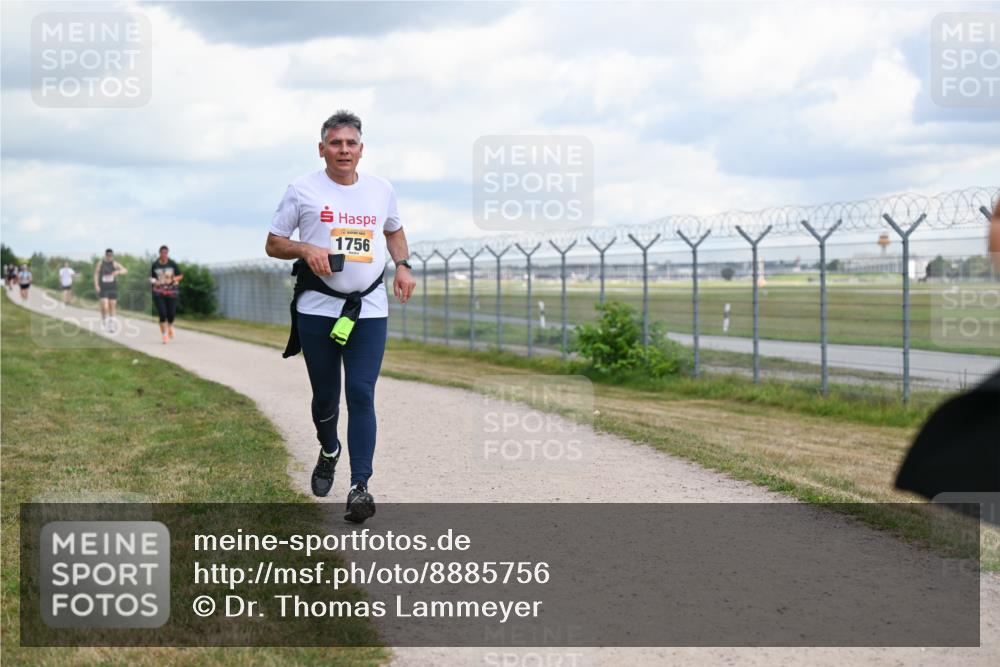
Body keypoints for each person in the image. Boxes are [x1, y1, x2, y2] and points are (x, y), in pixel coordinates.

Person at [265, 110, 416, 523]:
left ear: (361, 150)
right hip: (318, 309)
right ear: (322, 149)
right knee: (326, 397)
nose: (343, 150)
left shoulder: (380, 190)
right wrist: (305, 250)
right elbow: (274, 243)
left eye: (350, 144)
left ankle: (360, 486)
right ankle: (329, 449)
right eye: (335, 143)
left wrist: (403, 264)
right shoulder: (302, 190)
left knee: (362, 394)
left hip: (368, 307)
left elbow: (394, 229)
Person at [150, 245, 183, 344]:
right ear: (159, 254)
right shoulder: (155, 265)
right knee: (162, 314)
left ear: (167, 253)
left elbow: (180, 275)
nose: (164, 255)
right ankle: (164, 335)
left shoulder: (172, 263)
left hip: (171, 291)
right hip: (158, 292)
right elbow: (150, 277)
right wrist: (155, 281)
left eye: (166, 253)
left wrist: (173, 279)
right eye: (162, 253)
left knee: (171, 314)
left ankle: (170, 327)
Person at [94, 249, 128, 332]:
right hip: (103, 287)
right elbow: (96, 274)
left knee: (112, 306)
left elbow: (125, 270)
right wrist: (96, 285)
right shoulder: (100, 263)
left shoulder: (115, 263)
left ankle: (111, 326)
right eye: (108, 255)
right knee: (105, 307)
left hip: (113, 287)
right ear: (105, 255)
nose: (110, 257)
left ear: (112, 255)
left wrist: (118, 272)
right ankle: (104, 320)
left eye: (111, 255)